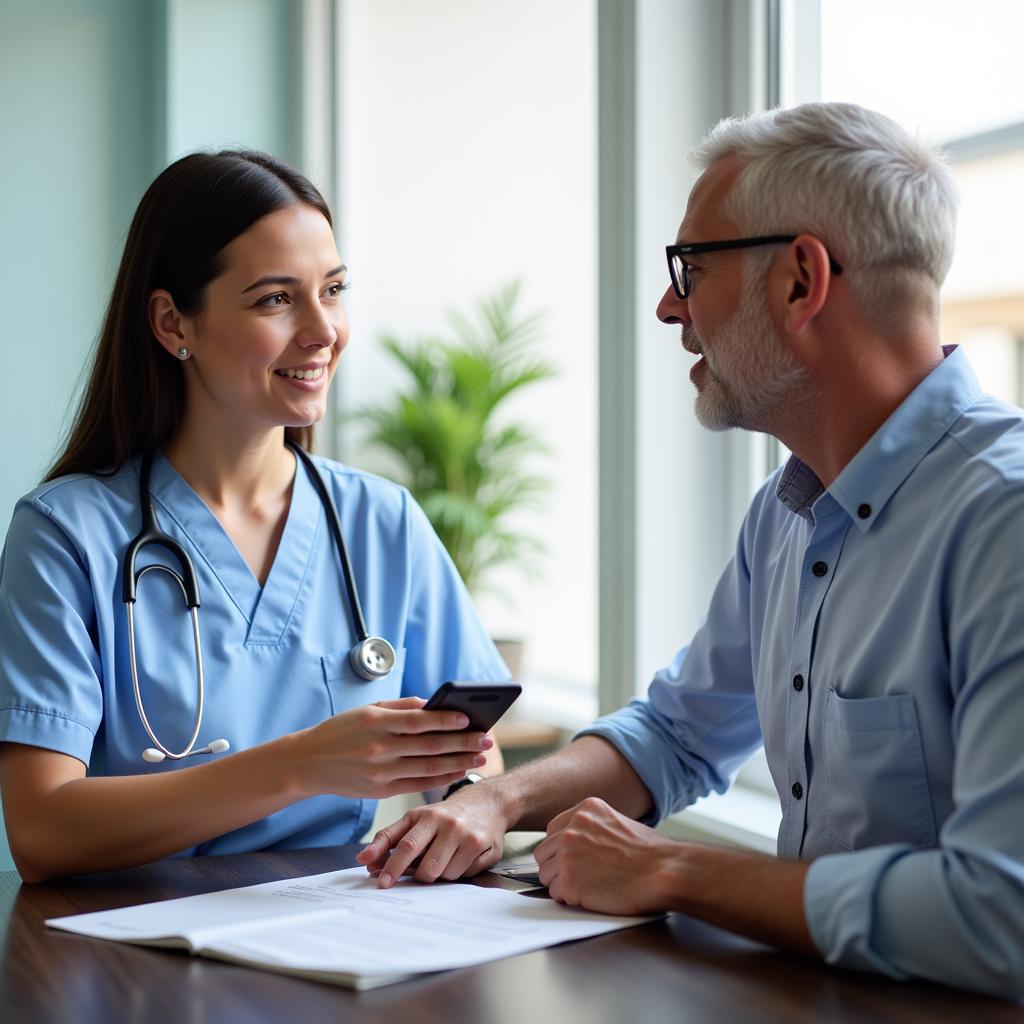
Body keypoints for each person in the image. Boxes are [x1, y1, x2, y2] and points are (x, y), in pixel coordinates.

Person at [358, 103, 1024, 999]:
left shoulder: (1003, 525)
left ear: (801, 281)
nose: (670, 305)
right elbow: (676, 734)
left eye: (692, 268)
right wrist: (499, 800)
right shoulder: (784, 517)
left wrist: (674, 871)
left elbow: (1002, 913)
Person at [0, 150, 509, 883]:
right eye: (276, 299)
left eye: (333, 290)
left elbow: (471, 749)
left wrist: (469, 806)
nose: (323, 330)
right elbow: (42, 830)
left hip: (336, 935)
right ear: (175, 322)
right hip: (131, 955)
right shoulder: (65, 535)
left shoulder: (382, 521)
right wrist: (302, 765)